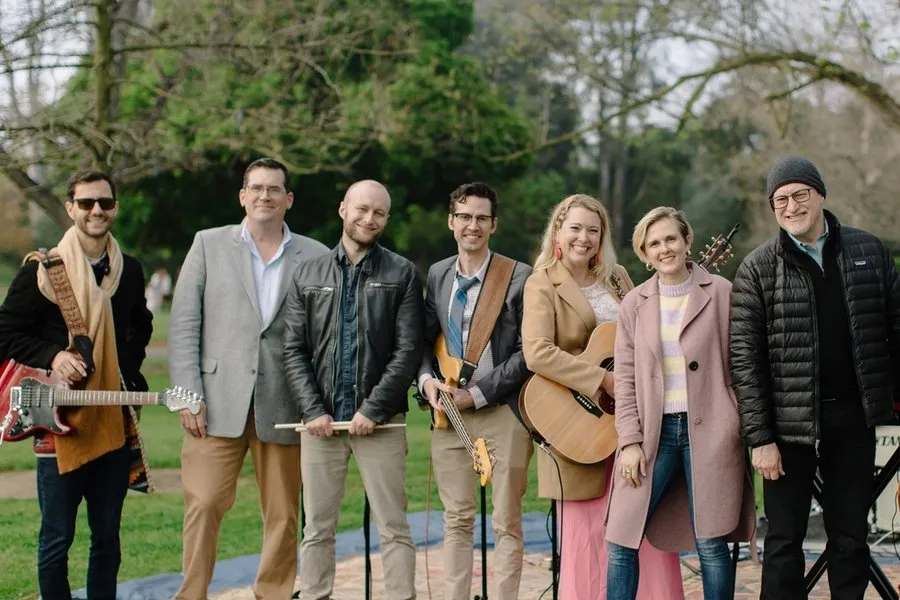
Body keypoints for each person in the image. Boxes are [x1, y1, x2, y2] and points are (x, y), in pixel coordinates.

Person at [730, 155, 900, 599]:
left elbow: (897, 331)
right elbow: (744, 362)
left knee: (851, 538)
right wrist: (760, 438)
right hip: (786, 429)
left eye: (800, 194)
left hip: (853, 419)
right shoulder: (757, 268)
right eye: (780, 200)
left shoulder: (870, 252)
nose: (792, 206)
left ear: (820, 194)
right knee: (783, 541)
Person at [168, 158, 328, 600]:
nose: (264, 196)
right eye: (256, 188)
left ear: (288, 199)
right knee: (203, 503)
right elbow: (184, 325)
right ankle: (191, 594)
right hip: (213, 402)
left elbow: (324, 335)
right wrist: (187, 396)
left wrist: (316, 403)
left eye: (274, 189)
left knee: (283, 513)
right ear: (242, 196)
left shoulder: (316, 255)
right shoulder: (207, 244)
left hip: (286, 403)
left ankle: (272, 593)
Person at [0, 169, 153, 600]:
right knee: (56, 539)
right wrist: (54, 356)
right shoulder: (42, 270)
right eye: (86, 203)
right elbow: (6, 332)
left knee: (107, 538)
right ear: (71, 209)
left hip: (111, 422)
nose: (96, 211)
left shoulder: (129, 270)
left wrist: (126, 372)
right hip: (59, 424)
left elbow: (140, 326)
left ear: (115, 208)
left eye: (104, 202)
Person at [522, 194, 683, 600]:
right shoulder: (541, 283)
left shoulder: (618, 278)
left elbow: (642, 331)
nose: (584, 238)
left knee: (643, 526)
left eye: (593, 230)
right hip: (577, 426)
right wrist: (602, 380)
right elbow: (536, 352)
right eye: (575, 228)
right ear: (558, 231)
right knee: (586, 537)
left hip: (629, 424)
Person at [283, 179, 424, 600]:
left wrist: (373, 409)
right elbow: (293, 350)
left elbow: (407, 351)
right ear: (343, 209)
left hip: (380, 424)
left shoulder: (402, 274)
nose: (369, 218)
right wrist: (313, 410)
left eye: (379, 212)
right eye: (362, 209)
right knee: (316, 528)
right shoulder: (307, 274)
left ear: (386, 218)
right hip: (320, 424)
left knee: (393, 526)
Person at [605, 207, 755, 600]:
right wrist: (629, 441)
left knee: (711, 541)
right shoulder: (634, 304)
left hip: (712, 431)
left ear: (687, 240)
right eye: (653, 243)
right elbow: (625, 379)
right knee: (620, 537)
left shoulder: (721, 292)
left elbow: (744, 363)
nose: (664, 248)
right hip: (653, 435)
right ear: (644, 254)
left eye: (671, 238)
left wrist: (735, 421)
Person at [417, 182, 534, 599]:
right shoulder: (438, 273)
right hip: (449, 413)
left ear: (494, 225)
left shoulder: (518, 276)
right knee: (456, 519)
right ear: (451, 222)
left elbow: (528, 352)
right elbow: (423, 341)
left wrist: (478, 393)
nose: (473, 225)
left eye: (482, 218)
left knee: (507, 522)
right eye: (464, 217)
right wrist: (426, 381)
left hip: (502, 410)